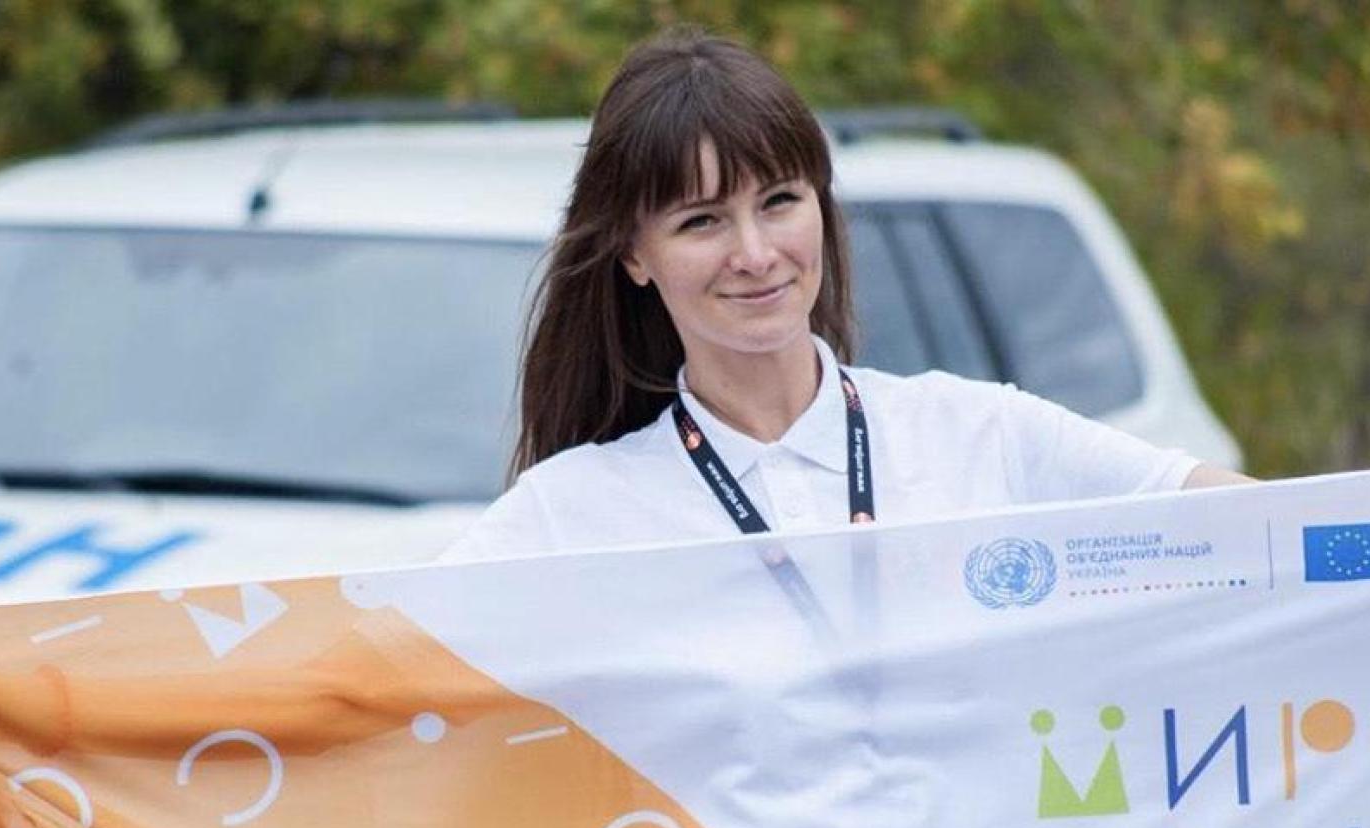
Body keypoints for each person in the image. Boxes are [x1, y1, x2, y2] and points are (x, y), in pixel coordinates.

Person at [440, 28, 1248, 565]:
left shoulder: (982, 438)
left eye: (781, 202)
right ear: (634, 254)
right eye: (701, 221)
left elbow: (1264, 535)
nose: (755, 254)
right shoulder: (570, 516)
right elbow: (371, 667)